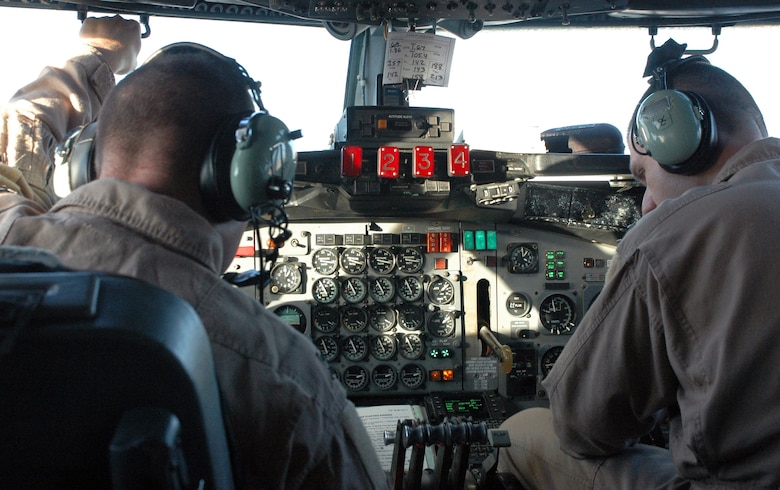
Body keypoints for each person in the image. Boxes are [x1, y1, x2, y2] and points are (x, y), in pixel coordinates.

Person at [0, 20, 388, 490]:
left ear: (83, 165)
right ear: (243, 182)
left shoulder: (8, 237)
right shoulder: (286, 379)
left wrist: (100, 54)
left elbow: (21, 137)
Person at [496, 39, 780, 489]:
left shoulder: (672, 233)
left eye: (643, 175)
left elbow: (581, 426)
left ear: (681, 139)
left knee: (518, 435)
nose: (646, 203)